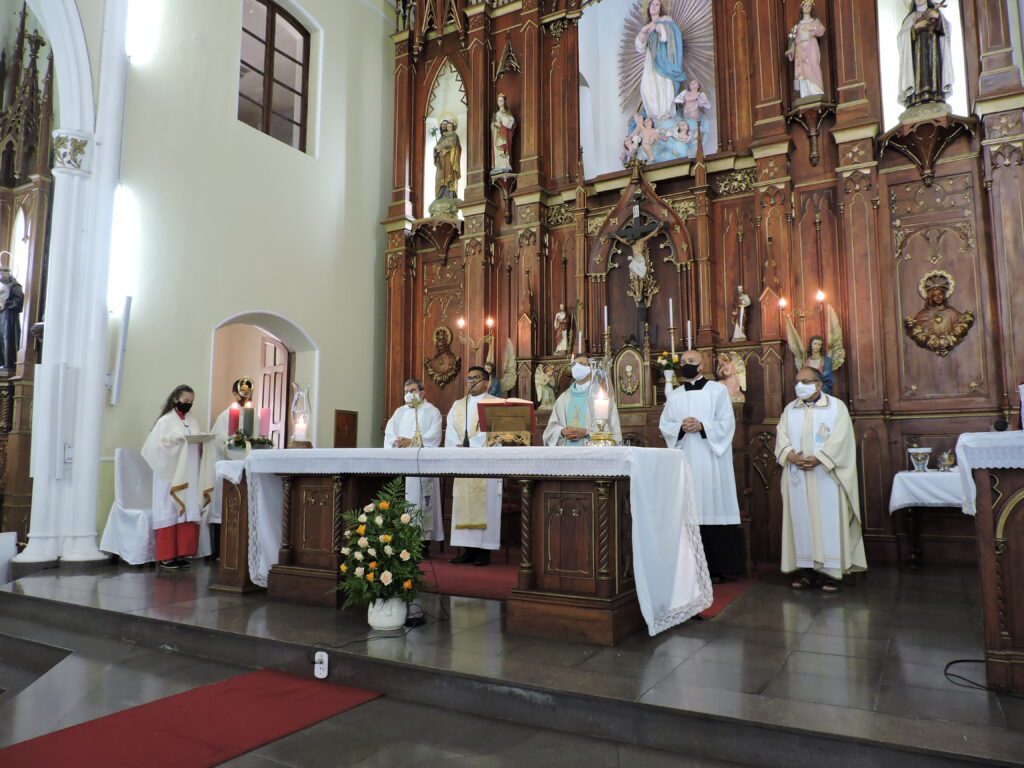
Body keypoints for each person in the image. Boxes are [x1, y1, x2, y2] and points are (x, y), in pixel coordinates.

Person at [775, 367, 867, 592]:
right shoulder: (790, 410)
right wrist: (792, 456)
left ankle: (831, 574)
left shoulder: (836, 407)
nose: (799, 385)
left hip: (826, 475)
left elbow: (841, 439)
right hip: (798, 475)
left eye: (805, 381)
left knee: (828, 522)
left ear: (818, 384)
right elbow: (781, 436)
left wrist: (819, 459)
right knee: (801, 522)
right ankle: (806, 573)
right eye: (797, 381)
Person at [659, 350, 742, 582]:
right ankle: (690, 567)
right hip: (686, 457)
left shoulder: (717, 391)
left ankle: (716, 567)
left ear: (702, 364)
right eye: (683, 362)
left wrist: (703, 426)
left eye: (691, 361)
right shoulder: (675, 395)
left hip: (711, 458)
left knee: (711, 506)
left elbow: (727, 422)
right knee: (689, 507)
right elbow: (665, 423)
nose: (686, 365)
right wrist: (680, 427)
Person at [141, 385, 216, 570]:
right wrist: (174, 441)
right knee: (169, 510)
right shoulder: (165, 422)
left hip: (189, 472)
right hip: (169, 474)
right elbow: (153, 448)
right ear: (175, 399)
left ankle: (182, 552)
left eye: (191, 402)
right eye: (185, 401)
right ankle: (167, 555)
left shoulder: (192, 420)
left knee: (188, 508)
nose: (188, 405)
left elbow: (195, 442)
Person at [444, 366, 502, 566]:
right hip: (463, 461)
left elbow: (496, 432)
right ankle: (467, 550)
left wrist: (473, 445)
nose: (473, 382)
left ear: (487, 382)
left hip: (487, 463)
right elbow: (451, 431)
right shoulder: (458, 405)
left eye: (477, 378)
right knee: (463, 504)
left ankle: (484, 552)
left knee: (486, 506)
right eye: (469, 378)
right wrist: (458, 447)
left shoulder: (496, 403)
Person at [383, 378, 444, 546]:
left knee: (420, 502)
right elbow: (390, 433)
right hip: (401, 464)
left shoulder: (432, 412)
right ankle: (400, 541)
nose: (408, 395)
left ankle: (421, 542)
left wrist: (411, 442)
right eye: (406, 392)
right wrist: (396, 442)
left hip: (422, 466)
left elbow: (434, 436)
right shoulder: (400, 412)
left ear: (422, 393)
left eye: (412, 391)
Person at [209, 377, 254, 559]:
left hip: (247, 467)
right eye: (242, 393)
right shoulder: (226, 416)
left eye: (249, 393)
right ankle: (220, 551)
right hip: (229, 469)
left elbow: (257, 438)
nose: (245, 397)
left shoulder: (253, 415)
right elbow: (221, 442)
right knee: (225, 508)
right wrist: (243, 456)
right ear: (234, 393)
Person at [543, 354, 622, 446]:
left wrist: (586, 432)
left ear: (591, 368)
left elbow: (612, 428)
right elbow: (551, 430)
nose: (577, 367)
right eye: (574, 364)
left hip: (592, 455)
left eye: (581, 364)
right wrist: (561, 431)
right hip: (566, 455)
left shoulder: (601, 396)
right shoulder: (563, 399)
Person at [633, 0, 686, 121]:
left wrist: (658, 27)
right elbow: (640, 47)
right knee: (646, 87)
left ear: (661, 8)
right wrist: (643, 31)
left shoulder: (666, 21)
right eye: (652, 4)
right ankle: (653, 115)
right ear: (648, 7)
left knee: (663, 86)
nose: (654, 6)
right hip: (650, 60)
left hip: (663, 61)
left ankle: (665, 114)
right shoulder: (647, 25)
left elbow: (670, 36)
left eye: (657, 4)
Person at [897, 0, 954, 109]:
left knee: (933, 73)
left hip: (934, 54)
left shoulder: (936, 13)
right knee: (919, 71)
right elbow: (901, 39)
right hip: (916, 58)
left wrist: (938, 18)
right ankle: (916, 98)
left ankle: (936, 95)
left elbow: (947, 31)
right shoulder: (909, 19)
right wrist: (913, 29)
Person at [786, 0, 826, 99]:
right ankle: (806, 94)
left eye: (809, 6)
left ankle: (816, 91)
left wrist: (811, 29)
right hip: (800, 50)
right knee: (803, 71)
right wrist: (790, 50)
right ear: (802, 7)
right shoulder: (798, 26)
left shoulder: (814, 21)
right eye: (805, 5)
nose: (807, 7)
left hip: (811, 47)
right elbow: (795, 41)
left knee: (814, 66)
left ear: (811, 8)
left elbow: (821, 30)